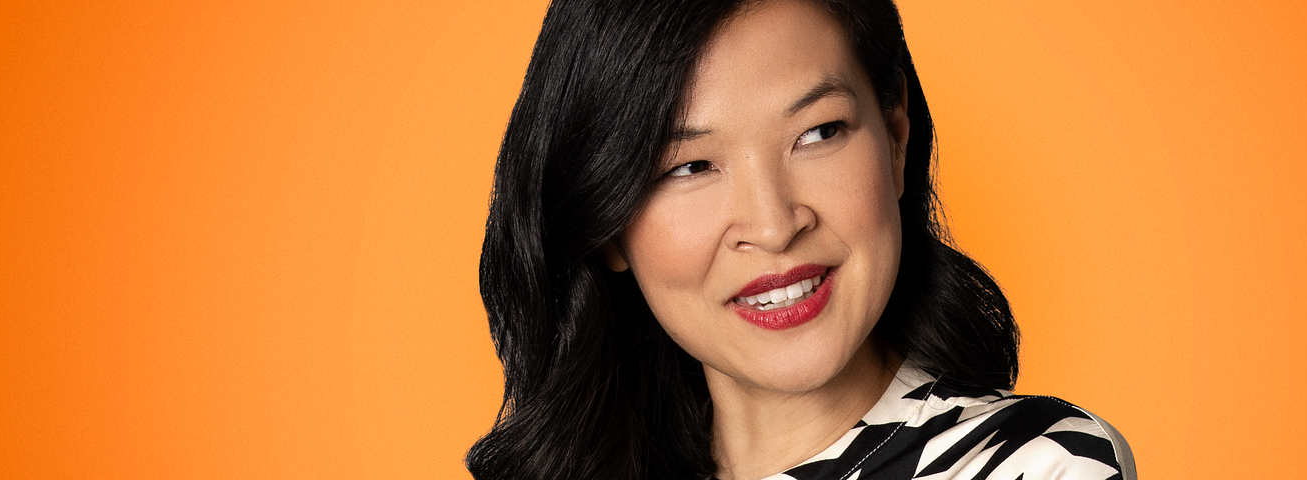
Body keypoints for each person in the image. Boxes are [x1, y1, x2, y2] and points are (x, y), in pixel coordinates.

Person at [469, 0, 1135, 478]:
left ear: (896, 138)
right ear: (609, 223)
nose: (773, 223)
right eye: (690, 167)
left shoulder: (1033, 465)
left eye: (818, 133)